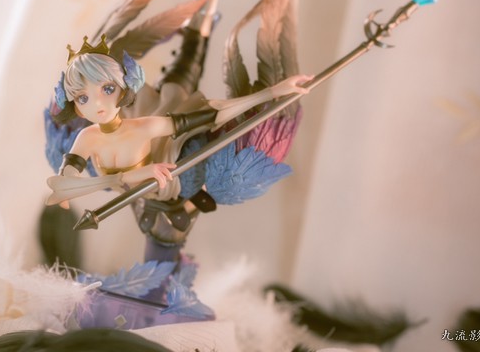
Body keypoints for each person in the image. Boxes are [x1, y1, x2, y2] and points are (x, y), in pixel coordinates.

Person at [45, 35, 311, 262]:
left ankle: (197, 36)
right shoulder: (87, 136)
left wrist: (273, 92)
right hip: (140, 189)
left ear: (122, 89)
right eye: (83, 98)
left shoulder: (143, 128)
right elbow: (66, 181)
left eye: (107, 89)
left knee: (206, 177)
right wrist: (75, 185)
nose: (97, 104)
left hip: (171, 181)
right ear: (76, 106)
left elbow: (214, 113)